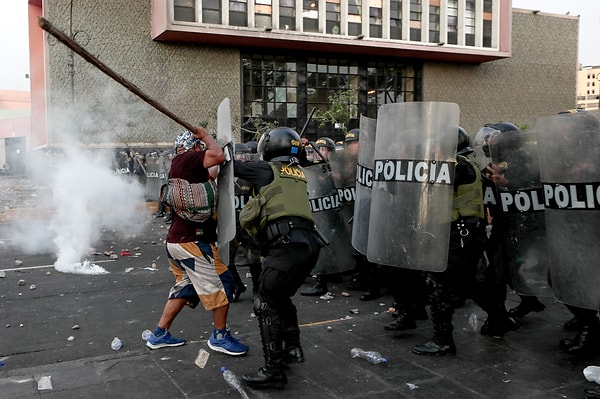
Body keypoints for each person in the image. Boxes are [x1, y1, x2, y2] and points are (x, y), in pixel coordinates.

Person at [145, 127, 249, 357]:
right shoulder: (187, 158)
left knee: (186, 288)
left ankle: (159, 334)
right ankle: (220, 336)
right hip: (191, 242)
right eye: (199, 146)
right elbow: (218, 156)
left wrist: (220, 153)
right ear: (194, 146)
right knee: (224, 282)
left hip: (177, 242)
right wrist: (207, 137)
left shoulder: (184, 165)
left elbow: (212, 170)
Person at [234, 127, 324, 389]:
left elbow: (234, 167)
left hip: (287, 245)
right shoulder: (299, 173)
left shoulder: (266, 170)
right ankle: (293, 348)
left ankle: (273, 370)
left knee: (265, 301)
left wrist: (215, 145)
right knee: (280, 297)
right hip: (308, 245)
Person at [412, 128, 487, 356]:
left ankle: (442, 340)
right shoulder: (466, 165)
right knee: (470, 284)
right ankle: (500, 319)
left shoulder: (456, 167)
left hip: (458, 235)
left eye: (436, 146)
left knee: (438, 285)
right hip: (466, 234)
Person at [300, 136, 336, 296]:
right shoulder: (315, 166)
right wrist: (301, 149)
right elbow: (303, 165)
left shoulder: (335, 167)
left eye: (324, 149)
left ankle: (326, 277)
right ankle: (320, 279)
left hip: (332, 211)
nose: (320, 152)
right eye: (318, 149)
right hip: (319, 211)